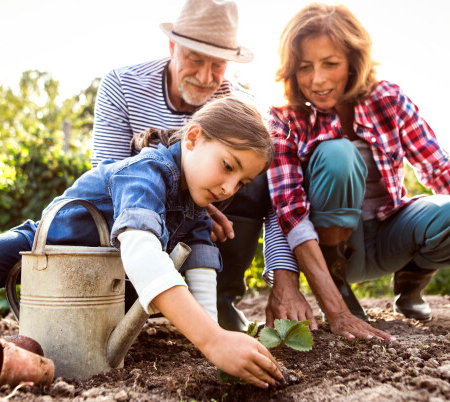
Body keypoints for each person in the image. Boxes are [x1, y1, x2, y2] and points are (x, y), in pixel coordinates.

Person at [0, 97, 283, 387]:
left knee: (136, 300)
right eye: (227, 166)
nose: (228, 188)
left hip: (101, 283)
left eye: (242, 182)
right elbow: (140, 248)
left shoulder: (196, 200)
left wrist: (213, 332)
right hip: (48, 246)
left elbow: (201, 263)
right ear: (193, 138)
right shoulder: (146, 172)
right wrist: (212, 340)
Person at [263, 3, 450, 340]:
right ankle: (340, 288)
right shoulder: (284, 119)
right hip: (332, 251)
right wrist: (338, 313)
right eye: (305, 67)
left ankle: (410, 284)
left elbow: (440, 169)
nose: (317, 80)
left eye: (330, 64)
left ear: (352, 62)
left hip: (391, 233)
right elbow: (289, 214)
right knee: (337, 154)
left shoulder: (387, 98)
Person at [91, 0, 297, 331]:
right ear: (173, 46)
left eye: (217, 65)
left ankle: (219, 298)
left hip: (201, 214)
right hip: (138, 211)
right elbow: (109, 172)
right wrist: (189, 203)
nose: (205, 77)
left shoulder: (240, 107)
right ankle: (126, 292)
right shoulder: (123, 85)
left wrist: (283, 278)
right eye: (194, 59)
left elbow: (278, 201)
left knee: (249, 169)